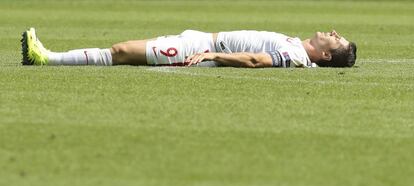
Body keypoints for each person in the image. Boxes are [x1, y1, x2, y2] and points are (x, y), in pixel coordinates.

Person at [21, 28, 357, 68]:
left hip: (198, 49)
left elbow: (257, 60)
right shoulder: (298, 46)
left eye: (337, 39)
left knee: (120, 51)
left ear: (326, 55)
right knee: (121, 51)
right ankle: (47, 57)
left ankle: (46, 58)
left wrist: (214, 55)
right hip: (197, 39)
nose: (334, 32)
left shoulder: (297, 56)